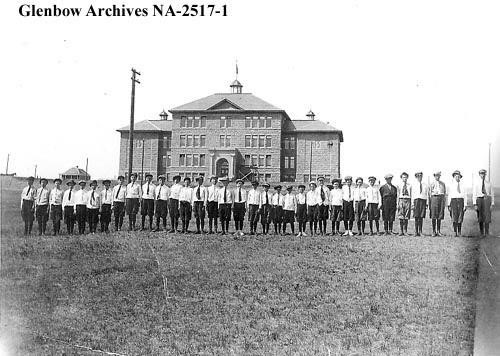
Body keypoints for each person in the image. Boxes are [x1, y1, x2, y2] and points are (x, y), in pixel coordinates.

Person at [473, 169, 495, 236]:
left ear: (485, 175)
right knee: (480, 216)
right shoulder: (476, 183)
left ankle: (487, 232)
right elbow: (474, 194)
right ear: (479, 175)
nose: (483, 175)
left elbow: (492, 194)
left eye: (484, 174)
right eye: (481, 174)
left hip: (487, 200)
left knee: (487, 216)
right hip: (479, 200)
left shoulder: (489, 183)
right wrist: (475, 204)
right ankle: (481, 232)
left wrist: (492, 203)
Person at [448, 170, 467, 237]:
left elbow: (465, 195)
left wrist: (465, 205)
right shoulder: (451, 185)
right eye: (456, 176)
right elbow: (449, 195)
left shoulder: (463, 185)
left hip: (461, 201)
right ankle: (455, 231)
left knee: (460, 217)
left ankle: (459, 232)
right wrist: (448, 205)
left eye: (458, 176)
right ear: (454, 177)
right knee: (454, 217)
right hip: (453, 201)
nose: (457, 177)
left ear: (460, 177)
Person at [429, 171, 446, 237]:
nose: (437, 177)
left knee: (440, 215)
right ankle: (433, 231)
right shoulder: (431, 184)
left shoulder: (443, 184)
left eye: (438, 176)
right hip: (434, 198)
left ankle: (438, 231)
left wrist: (444, 201)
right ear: (434, 176)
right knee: (434, 215)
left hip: (441, 198)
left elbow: (444, 193)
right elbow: (429, 193)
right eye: (436, 175)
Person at [412, 172, 428, 237]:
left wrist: (426, 203)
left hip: (423, 200)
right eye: (418, 176)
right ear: (416, 177)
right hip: (416, 200)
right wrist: (412, 204)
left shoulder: (425, 185)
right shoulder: (414, 184)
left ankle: (420, 231)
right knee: (416, 216)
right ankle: (416, 231)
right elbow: (412, 194)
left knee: (421, 216)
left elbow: (426, 194)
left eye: (421, 176)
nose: (419, 177)